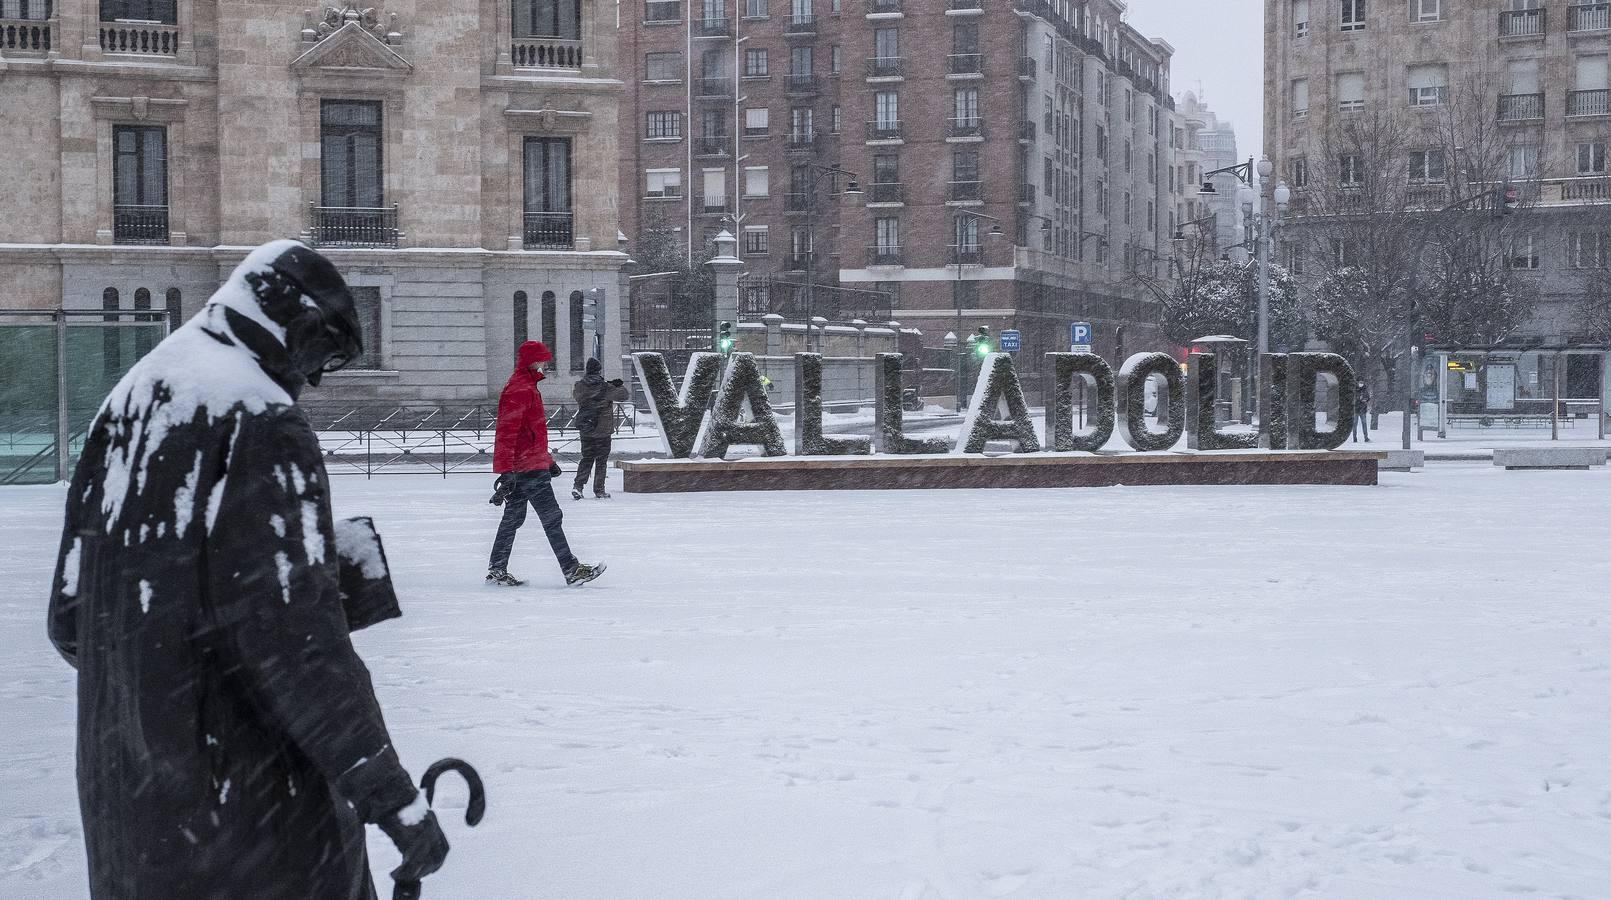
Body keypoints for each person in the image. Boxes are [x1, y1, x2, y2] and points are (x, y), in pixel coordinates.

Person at [47, 240, 448, 900]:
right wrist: (392, 799)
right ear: (295, 326)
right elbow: (297, 649)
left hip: (133, 819)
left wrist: (306, 576)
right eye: (328, 353)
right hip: (250, 826)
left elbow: (71, 620)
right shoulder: (261, 422)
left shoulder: (127, 402)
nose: (316, 378)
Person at [488, 340, 606, 586]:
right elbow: (506, 432)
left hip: (529, 465)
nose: (545, 364)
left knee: (513, 518)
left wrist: (547, 460)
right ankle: (571, 570)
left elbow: (530, 433)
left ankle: (497, 570)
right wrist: (505, 469)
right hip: (528, 469)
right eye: (541, 360)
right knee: (552, 517)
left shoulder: (527, 386)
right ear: (531, 361)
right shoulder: (520, 388)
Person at [570, 358, 629, 499]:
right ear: (599, 370)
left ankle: (578, 486)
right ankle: (599, 490)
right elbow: (624, 396)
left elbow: (578, 397)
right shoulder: (606, 387)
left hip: (586, 427)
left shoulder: (580, 386)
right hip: (602, 429)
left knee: (586, 458)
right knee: (601, 461)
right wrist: (618, 385)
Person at [1354, 378, 1372, 442]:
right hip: (1356, 409)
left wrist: (1365, 400)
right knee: (1354, 425)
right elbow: (1352, 398)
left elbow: (1368, 397)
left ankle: (1366, 437)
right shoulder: (1355, 389)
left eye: (1362, 382)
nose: (1361, 383)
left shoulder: (1365, 390)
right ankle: (1354, 438)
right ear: (1357, 382)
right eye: (1360, 382)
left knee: (1364, 424)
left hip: (1362, 409)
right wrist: (1357, 400)